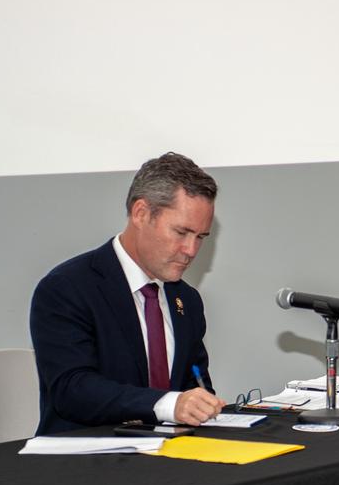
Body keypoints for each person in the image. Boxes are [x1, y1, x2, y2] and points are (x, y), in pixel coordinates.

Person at [30, 152, 226, 434]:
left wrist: (201, 403)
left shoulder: (187, 301)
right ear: (141, 213)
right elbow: (73, 390)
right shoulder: (66, 288)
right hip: (85, 460)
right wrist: (169, 404)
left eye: (201, 237)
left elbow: (194, 385)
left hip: (170, 461)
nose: (191, 250)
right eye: (181, 232)